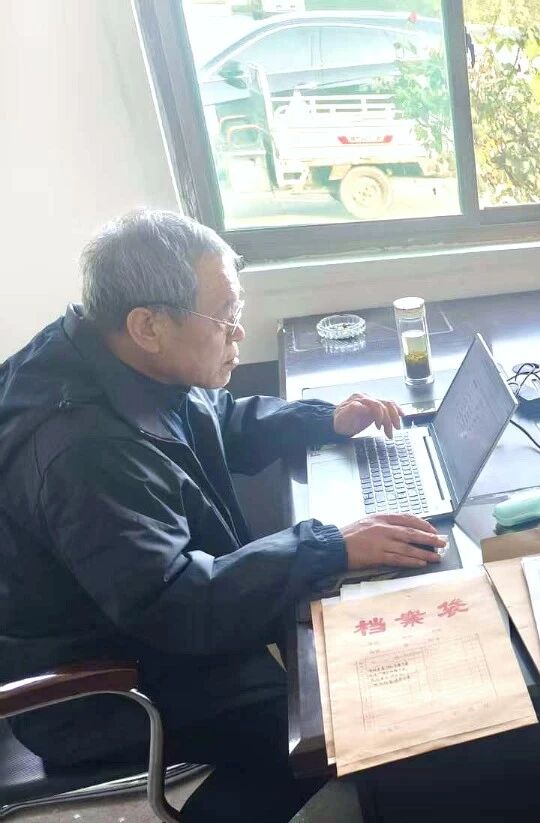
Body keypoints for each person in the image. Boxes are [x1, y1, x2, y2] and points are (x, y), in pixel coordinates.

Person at [0, 210, 446, 822]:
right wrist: (328, 546)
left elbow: (217, 420)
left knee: (327, 672)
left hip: (140, 617)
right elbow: (175, 605)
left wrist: (323, 420)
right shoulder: (82, 449)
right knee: (324, 722)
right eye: (225, 317)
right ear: (148, 325)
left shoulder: (113, 358)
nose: (238, 332)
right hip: (105, 682)